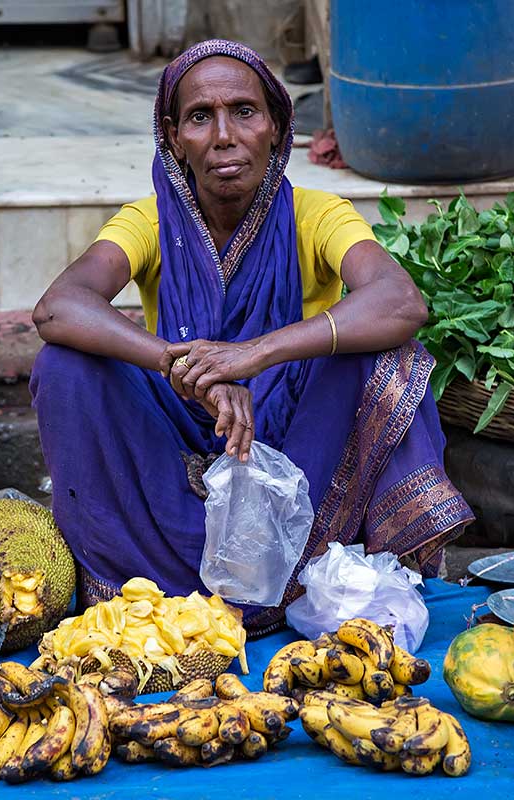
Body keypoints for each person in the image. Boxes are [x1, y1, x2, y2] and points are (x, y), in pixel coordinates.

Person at [30, 39, 472, 634]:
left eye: (244, 111)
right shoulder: (148, 221)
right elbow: (59, 307)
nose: (223, 136)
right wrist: (184, 368)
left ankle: (314, 570)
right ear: (173, 137)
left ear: (275, 126)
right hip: (184, 436)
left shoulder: (317, 214)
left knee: (390, 354)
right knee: (66, 367)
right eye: (199, 117)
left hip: (294, 449)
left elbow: (401, 301)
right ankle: (143, 586)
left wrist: (254, 354)